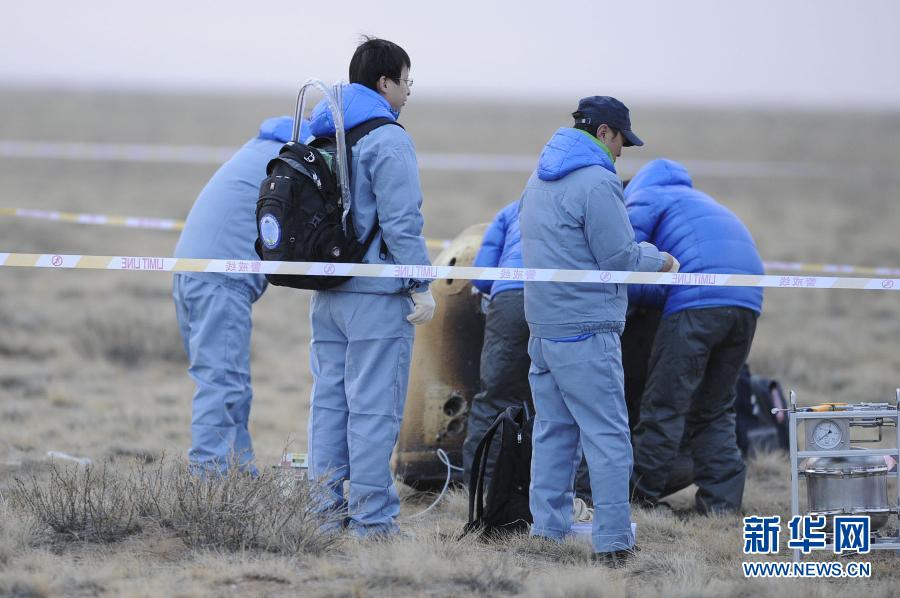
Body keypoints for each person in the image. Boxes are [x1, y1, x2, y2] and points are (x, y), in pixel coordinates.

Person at [519, 96, 675, 565]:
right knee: (608, 438)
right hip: (586, 328)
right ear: (604, 132)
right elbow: (619, 257)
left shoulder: (537, 177)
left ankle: (547, 532)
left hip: (543, 327)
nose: (622, 152)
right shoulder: (597, 181)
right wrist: (661, 261)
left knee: (552, 433)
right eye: (622, 141)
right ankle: (613, 542)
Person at [306, 37, 435, 538]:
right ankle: (372, 522)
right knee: (374, 409)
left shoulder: (325, 132)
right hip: (376, 295)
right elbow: (402, 223)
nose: (408, 91)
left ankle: (323, 515)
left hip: (328, 291)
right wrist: (419, 283)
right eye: (406, 80)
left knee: (329, 405)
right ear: (384, 83)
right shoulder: (388, 138)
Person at [626, 158, 764, 514]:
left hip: (696, 304)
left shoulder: (646, 197)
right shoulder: (703, 202)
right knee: (715, 407)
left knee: (664, 405)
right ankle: (721, 506)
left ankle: (639, 500)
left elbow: (624, 263)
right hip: (747, 302)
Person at [173, 115, 308, 476]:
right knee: (222, 385)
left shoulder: (263, 150)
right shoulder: (292, 162)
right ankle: (210, 480)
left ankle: (239, 473)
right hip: (220, 279)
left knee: (228, 383)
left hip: (192, 271)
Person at [463, 200, 529, 490]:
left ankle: (481, 491)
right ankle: (569, 496)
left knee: (494, 398)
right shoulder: (591, 198)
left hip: (508, 302)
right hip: (564, 299)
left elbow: (482, 277)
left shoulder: (510, 210)